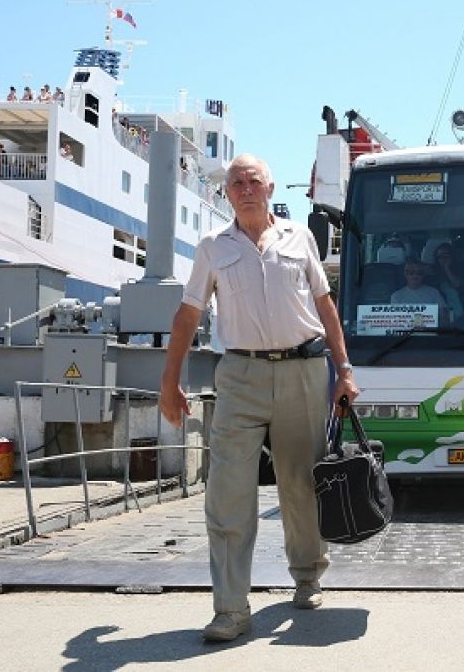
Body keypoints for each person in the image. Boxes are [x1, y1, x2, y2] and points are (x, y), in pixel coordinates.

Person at [160, 154, 359, 643]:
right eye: (236, 182)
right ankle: (230, 608)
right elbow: (188, 313)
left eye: (253, 180)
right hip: (241, 375)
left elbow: (324, 303)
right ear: (226, 193)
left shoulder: (299, 237)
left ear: (269, 187)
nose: (245, 188)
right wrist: (170, 381)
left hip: (304, 371)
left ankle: (308, 574)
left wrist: (344, 371)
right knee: (228, 488)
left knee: (300, 482)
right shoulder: (212, 246)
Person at [431, 242, 464, 321]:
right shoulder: (432, 274)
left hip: (460, 313)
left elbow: (457, 284)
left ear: (452, 255)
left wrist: (447, 268)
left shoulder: (462, 270)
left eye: (446, 255)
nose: (443, 258)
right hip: (439, 314)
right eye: (440, 256)